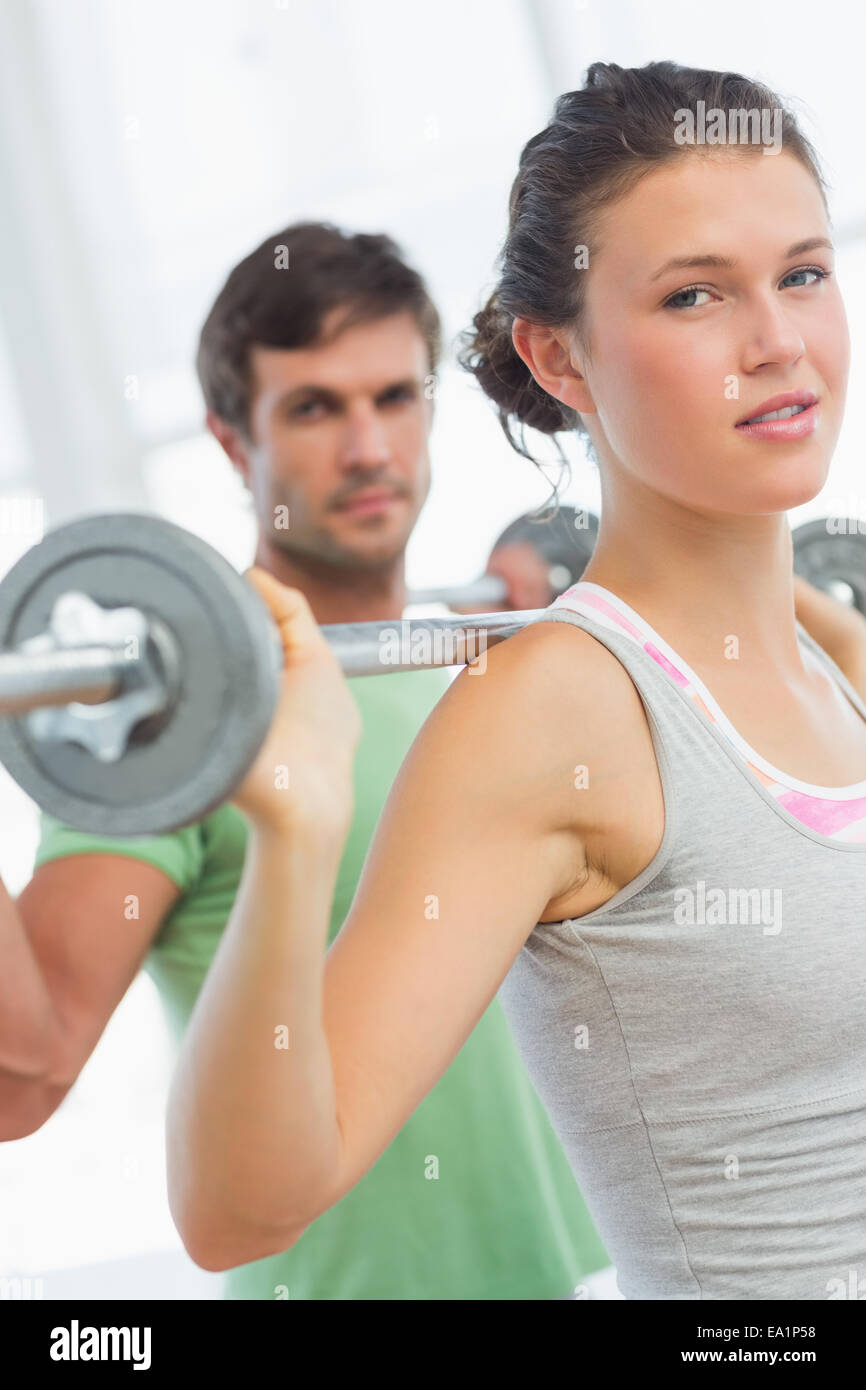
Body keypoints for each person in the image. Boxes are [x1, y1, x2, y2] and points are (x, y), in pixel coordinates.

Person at [164, 62, 866, 1300]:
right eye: (695, 294)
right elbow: (239, 1209)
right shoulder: (557, 710)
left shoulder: (831, 670)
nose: (776, 344)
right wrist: (295, 821)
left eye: (801, 273)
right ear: (557, 356)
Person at [0, 222, 615, 1300]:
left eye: (392, 397)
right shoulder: (190, 718)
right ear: (236, 444)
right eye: (314, 408)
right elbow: (22, 1074)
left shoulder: (482, 664)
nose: (369, 448)